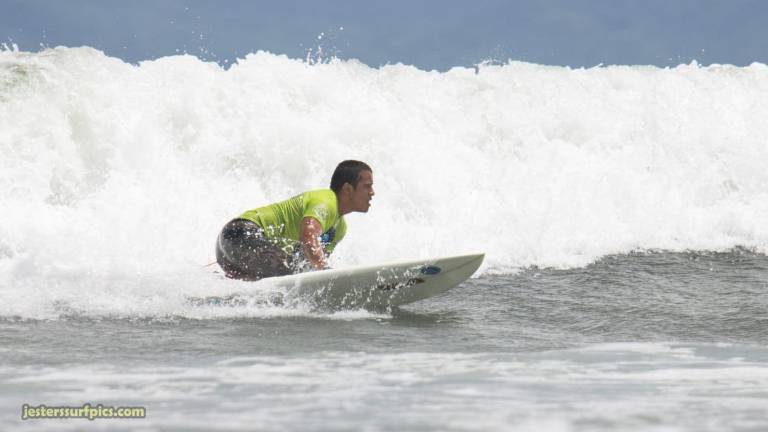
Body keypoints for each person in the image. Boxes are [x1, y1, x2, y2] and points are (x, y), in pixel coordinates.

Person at [215, 160, 374, 280]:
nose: (372, 192)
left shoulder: (339, 228)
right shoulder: (326, 201)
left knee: (287, 276)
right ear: (347, 189)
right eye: (367, 186)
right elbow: (308, 235)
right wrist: (326, 273)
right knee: (287, 274)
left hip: (230, 252)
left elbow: (306, 264)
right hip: (240, 235)